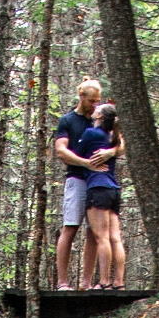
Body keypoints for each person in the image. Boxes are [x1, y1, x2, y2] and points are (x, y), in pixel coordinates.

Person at [52, 79, 103, 288]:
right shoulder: (68, 121)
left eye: (97, 101)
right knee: (70, 228)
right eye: (92, 101)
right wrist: (85, 163)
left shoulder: (99, 120)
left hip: (98, 182)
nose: (94, 105)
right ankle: (62, 282)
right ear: (81, 96)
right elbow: (60, 151)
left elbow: (119, 143)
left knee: (94, 231)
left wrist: (109, 152)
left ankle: (86, 282)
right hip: (77, 179)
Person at [75, 102, 126, 288]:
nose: (94, 108)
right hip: (113, 189)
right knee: (115, 237)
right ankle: (119, 282)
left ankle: (104, 282)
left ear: (99, 117)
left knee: (102, 237)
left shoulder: (91, 134)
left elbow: (77, 154)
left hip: (98, 188)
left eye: (98, 109)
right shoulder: (112, 138)